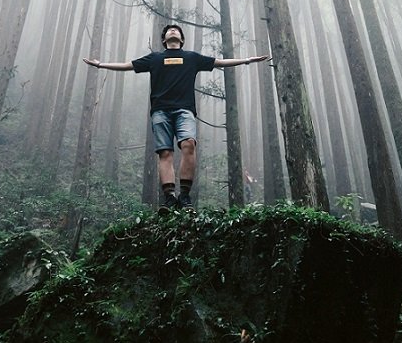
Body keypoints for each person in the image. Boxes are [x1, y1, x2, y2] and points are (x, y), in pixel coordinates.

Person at [85, 23, 269, 211]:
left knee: (189, 144)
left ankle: (185, 196)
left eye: (176, 30)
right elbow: (127, 66)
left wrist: (247, 60)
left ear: (181, 39)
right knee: (165, 153)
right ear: (164, 40)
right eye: (168, 31)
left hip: (185, 110)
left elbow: (219, 62)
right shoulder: (154, 58)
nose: (173, 31)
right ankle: (169, 198)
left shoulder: (191, 58)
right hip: (160, 111)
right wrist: (100, 65)